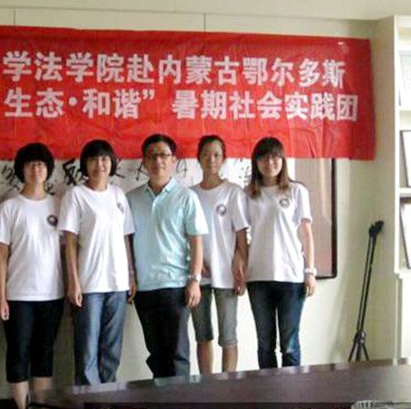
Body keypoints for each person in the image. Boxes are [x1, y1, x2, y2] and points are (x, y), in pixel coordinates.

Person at [126, 133, 209, 378]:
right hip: (144, 287)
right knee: (156, 355)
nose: (157, 161)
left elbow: (196, 241)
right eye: (152, 156)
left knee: (177, 354)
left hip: (176, 286)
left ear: (174, 160)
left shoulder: (186, 197)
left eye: (163, 155)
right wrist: (131, 276)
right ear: (143, 161)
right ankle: (160, 397)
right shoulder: (131, 198)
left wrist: (194, 280)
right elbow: (126, 242)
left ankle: (180, 398)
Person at [0, 143, 64, 409]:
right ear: (21, 169)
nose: (36, 170)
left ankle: (41, 405)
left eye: (41, 165)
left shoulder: (59, 205)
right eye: (31, 164)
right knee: (18, 353)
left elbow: (67, 252)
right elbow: (0, 257)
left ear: (49, 170)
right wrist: (1, 297)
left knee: (44, 354)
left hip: (52, 294)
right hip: (18, 294)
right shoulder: (8, 208)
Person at [58, 139, 135, 385]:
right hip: (89, 284)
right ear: (85, 164)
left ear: (111, 163)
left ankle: (109, 395)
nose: (99, 164)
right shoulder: (75, 195)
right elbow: (70, 242)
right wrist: (73, 282)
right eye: (93, 159)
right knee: (87, 348)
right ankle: (88, 398)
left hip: (117, 283)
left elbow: (125, 237)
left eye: (104, 159)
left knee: (112, 349)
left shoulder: (118, 195)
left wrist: (131, 275)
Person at [245, 136, 316, 369]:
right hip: (258, 277)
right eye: (264, 157)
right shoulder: (248, 194)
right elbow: (240, 236)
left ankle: (291, 390)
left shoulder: (296, 191)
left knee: (290, 344)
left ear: (283, 160)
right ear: (256, 162)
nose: (270, 162)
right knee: (265, 344)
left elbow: (306, 233)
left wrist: (310, 272)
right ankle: (268, 390)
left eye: (275, 157)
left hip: (291, 276)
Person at [190, 135, 249, 374]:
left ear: (223, 159)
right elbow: (185, 236)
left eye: (216, 154)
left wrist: (242, 267)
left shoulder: (233, 192)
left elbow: (242, 234)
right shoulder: (190, 194)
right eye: (206, 154)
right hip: (198, 275)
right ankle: (207, 385)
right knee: (202, 334)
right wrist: (194, 264)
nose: (211, 159)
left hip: (227, 273)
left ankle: (228, 387)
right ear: (198, 158)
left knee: (228, 336)